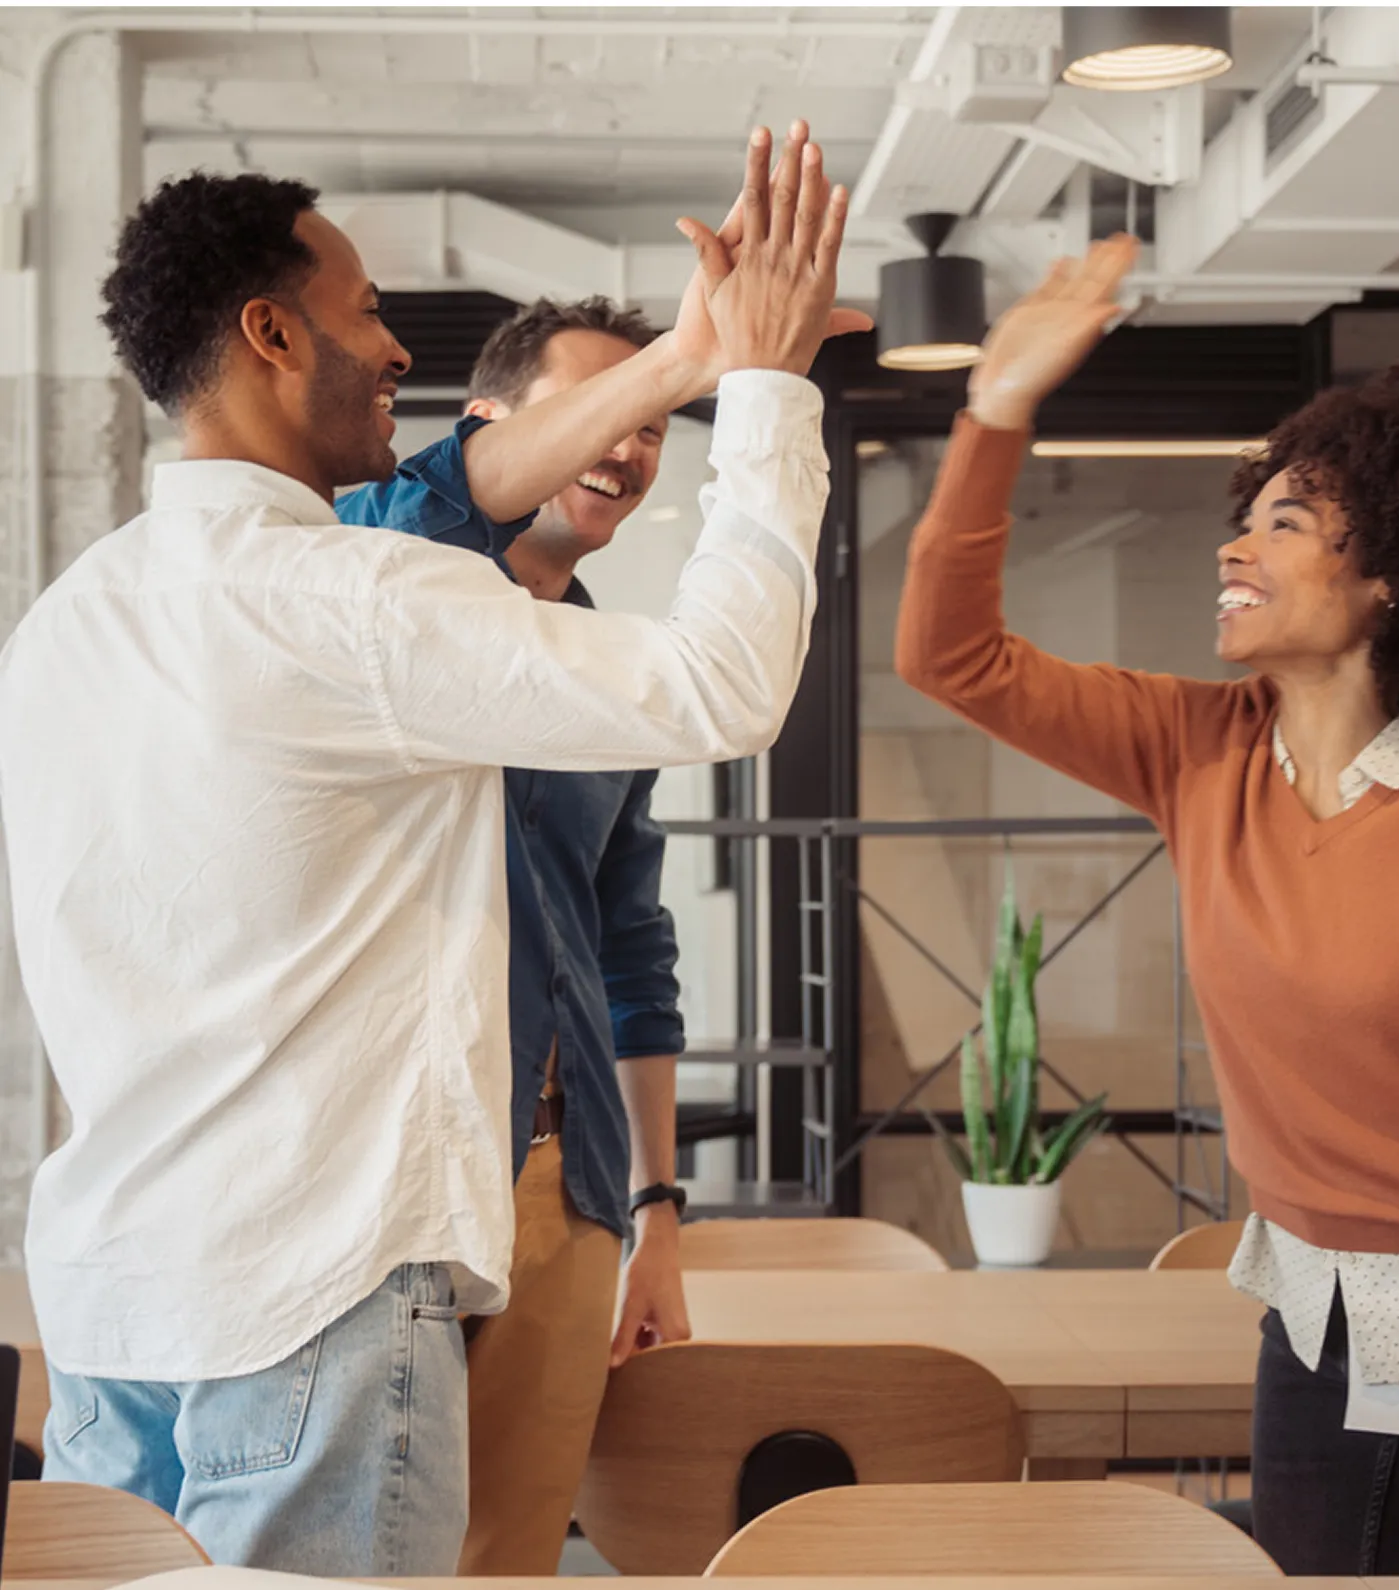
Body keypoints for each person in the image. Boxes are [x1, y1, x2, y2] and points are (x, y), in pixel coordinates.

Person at [0, 124, 849, 1575]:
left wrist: (675, 363)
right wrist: (765, 385)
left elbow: (458, 490)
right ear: (272, 333)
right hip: (311, 1298)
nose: (398, 349)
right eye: (368, 314)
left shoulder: (73, 614)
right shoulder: (357, 599)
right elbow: (725, 687)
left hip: (111, 1301)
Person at [896, 234, 1399, 1575]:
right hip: (1308, 1313)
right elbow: (948, 653)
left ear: (1391, 574)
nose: (1236, 540)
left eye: (1285, 521)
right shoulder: (1190, 748)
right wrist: (994, 411)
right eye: (1246, 510)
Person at [337, 295, 692, 1573]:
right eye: (596, 413)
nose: (628, 448)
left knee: (510, 1557)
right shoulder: (370, 577)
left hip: (566, 1180)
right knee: (368, 1554)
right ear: (489, 432)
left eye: (654, 424)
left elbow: (631, 947)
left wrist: (653, 1210)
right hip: (396, 1173)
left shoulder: (609, 667)